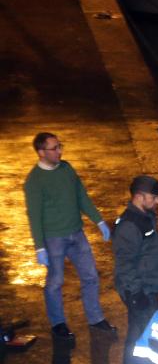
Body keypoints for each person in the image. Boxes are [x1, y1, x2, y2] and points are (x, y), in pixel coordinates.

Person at [23, 132, 115, 340]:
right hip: (53, 238)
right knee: (55, 282)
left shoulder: (67, 169)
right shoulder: (34, 181)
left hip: (76, 233)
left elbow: (81, 196)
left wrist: (98, 220)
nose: (59, 151)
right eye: (54, 148)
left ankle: (95, 318)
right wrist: (39, 247)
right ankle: (58, 323)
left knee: (90, 276)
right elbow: (34, 216)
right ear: (41, 152)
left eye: (59, 146)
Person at [112, 175, 158, 364]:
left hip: (147, 288)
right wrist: (135, 293)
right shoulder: (129, 225)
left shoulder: (144, 218)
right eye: (153, 197)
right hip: (141, 291)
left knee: (139, 339)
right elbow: (124, 263)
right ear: (139, 197)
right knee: (142, 343)